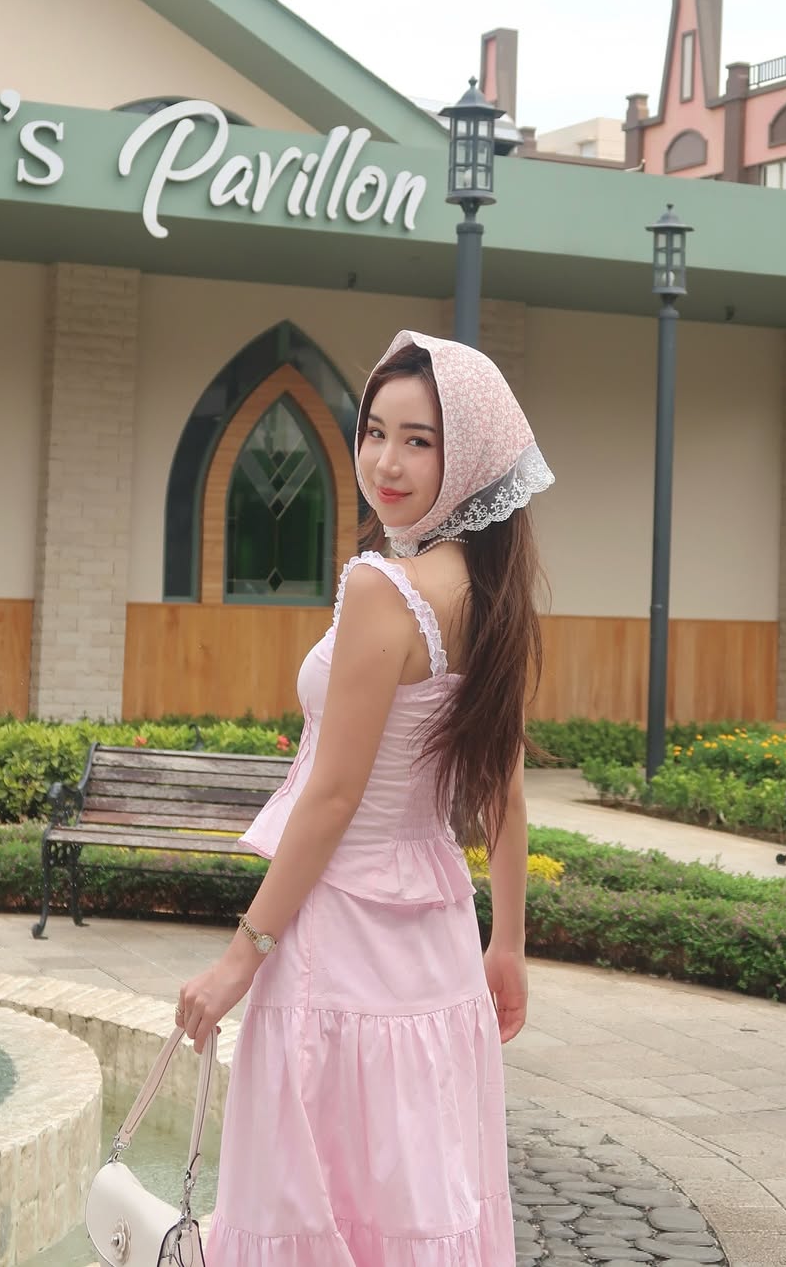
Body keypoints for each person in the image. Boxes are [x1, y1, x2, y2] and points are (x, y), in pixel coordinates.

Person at [177, 329, 555, 1266]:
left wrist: (239, 958)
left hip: (339, 938)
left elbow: (334, 796)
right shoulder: (492, 593)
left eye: (419, 440)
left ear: (467, 457)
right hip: (436, 945)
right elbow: (504, 796)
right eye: (375, 431)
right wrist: (505, 942)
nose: (385, 462)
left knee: (317, 1199)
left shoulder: (383, 586)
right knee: (413, 1196)